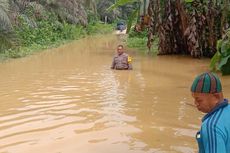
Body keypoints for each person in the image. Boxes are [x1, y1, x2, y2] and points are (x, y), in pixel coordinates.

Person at [190, 72, 230, 153]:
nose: (195, 103)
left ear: (216, 97)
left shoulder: (211, 126)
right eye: (194, 99)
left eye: (199, 100)